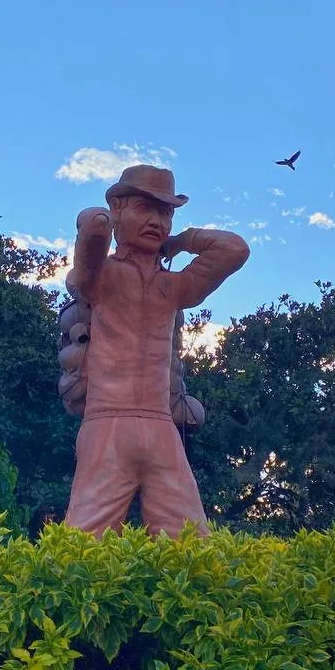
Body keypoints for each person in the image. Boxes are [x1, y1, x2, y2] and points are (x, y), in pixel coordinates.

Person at [63, 164, 249, 537]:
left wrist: (179, 242)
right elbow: (93, 229)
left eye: (165, 212)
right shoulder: (102, 277)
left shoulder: (174, 288)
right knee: (82, 548)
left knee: (191, 546)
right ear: (118, 208)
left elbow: (235, 249)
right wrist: (102, 218)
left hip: (161, 425)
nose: (157, 221)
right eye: (145, 208)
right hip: (107, 422)